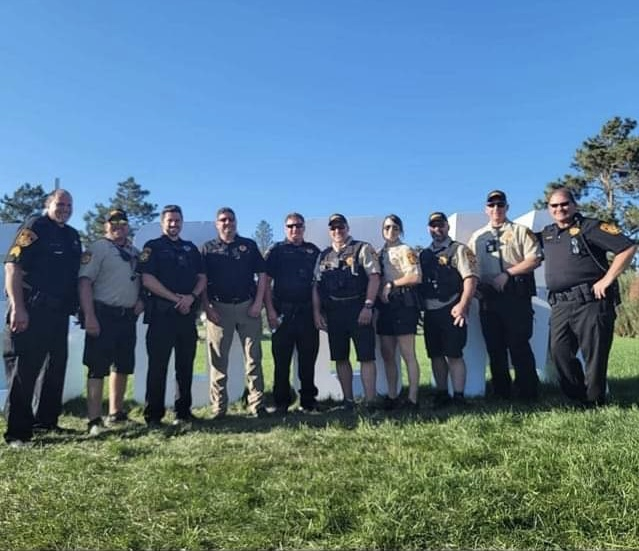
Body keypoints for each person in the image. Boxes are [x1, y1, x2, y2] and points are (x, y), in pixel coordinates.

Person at [542, 187, 637, 407]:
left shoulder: (591, 227)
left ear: (574, 205)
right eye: (554, 206)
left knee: (594, 355)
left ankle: (594, 402)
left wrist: (607, 279)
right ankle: (577, 396)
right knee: (559, 352)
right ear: (549, 209)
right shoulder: (548, 233)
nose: (560, 209)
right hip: (561, 304)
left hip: (591, 302)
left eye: (564, 204)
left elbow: (627, 248)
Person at [3, 189, 82, 447]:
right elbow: (13, 265)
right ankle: (17, 432)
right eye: (60, 204)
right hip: (31, 310)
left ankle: (46, 421)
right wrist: (18, 307)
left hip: (59, 313)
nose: (65, 209)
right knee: (24, 370)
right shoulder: (35, 226)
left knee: (55, 367)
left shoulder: (72, 236)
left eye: (69, 205)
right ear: (48, 204)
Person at [468, 190, 542, 401]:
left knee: (519, 345)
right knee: (495, 348)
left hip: (515, 296)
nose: (496, 209)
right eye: (492, 205)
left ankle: (528, 392)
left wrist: (507, 273)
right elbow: (472, 266)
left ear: (507, 207)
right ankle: (501, 392)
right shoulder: (478, 237)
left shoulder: (520, 231)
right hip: (489, 299)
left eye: (500, 205)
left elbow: (535, 258)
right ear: (486, 209)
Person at [138, 205, 206, 427]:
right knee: (158, 367)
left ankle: (183, 412)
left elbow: (202, 278)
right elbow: (147, 279)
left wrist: (191, 297)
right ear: (162, 222)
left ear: (182, 222)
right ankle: (154, 415)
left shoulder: (190, 248)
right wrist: (175, 299)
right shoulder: (153, 247)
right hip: (161, 317)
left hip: (186, 316)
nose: (174, 224)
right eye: (170, 220)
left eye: (177, 220)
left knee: (185, 366)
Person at [78, 209, 144, 435]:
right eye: (113, 223)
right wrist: (89, 315)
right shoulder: (98, 248)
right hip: (102, 315)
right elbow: (85, 282)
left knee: (122, 366)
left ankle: (116, 412)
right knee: (97, 368)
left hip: (126, 317)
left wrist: (141, 301)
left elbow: (141, 281)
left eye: (123, 223)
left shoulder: (135, 252)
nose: (118, 227)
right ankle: (94, 419)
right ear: (105, 226)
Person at [201, 207, 267, 418]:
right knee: (218, 360)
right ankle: (219, 408)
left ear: (236, 222)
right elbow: (201, 281)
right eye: (223, 220)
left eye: (230, 219)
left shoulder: (248, 245)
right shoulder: (208, 248)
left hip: (248, 307)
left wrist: (258, 303)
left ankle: (257, 405)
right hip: (218, 310)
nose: (227, 223)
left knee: (254, 358)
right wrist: (207, 307)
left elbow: (263, 275)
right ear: (216, 224)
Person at [312, 213, 381, 408]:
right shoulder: (323, 255)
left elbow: (375, 277)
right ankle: (348, 400)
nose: (337, 231)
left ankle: (370, 401)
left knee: (366, 357)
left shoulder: (362, 248)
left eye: (340, 227)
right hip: (334, 313)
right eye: (333, 228)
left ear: (347, 228)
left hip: (359, 309)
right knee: (340, 358)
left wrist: (368, 306)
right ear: (329, 231)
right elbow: (316, 286)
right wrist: (317, 313)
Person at [420, 212, 478, 408]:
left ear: (447, 226)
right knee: (435, 355)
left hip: (452, 309)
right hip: (430, 311)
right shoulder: (424, 254)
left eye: (441, 225)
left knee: (454, 354)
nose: (437, 229)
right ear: (429, 228)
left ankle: (459, 396)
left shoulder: (459, 250)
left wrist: (463, 305)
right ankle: (442, 393)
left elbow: (470, 279)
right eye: (433, 226)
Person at [264, 213, 321, 414]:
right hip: (282, 314)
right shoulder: (276, 251)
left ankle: (308, 401)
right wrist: (270, 311)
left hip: (306, 313)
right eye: (290, 226)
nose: (294, 230)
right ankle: (281, 403)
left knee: (308, 360)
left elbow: (317, 284)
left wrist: (317, 313)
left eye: (298, 226)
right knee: (281, 362)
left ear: (304, 228)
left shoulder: (313, 251)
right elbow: (265, 282)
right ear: (284, 228)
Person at [376, 214, 421, 409]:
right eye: (386, 228)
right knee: (387, 354)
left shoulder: (406, 250)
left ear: (400, 230)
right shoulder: (378, 253)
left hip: (403, 304)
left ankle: (412, 398)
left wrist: (392, 284)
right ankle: (392, 396)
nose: (390, 231)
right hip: (385, 307)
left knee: (407, 354)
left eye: (394, 227)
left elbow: (416, 276)